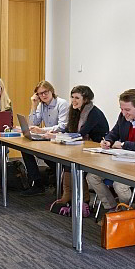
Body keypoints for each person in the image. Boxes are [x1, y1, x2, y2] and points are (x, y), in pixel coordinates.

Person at [86, 89, 135, 211]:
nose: (124, 113)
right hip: (122, 162)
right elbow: (114, 132)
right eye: (121, 109)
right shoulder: (123, 116)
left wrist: (124, 145)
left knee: (119, 186)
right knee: (92, 177)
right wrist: (108, 140)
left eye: (127, 110)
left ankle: (127, 213)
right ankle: (112, 209)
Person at [49, 85, 109, 214]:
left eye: (77, 98)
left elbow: (81, 133)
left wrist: (57, 136)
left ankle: (83, 200)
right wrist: (52, 133)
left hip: (98, 150)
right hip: (84, 147)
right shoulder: (76, 110)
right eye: (72, 97)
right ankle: (68, 195)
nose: (73, 100)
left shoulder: (93, 113)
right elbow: (70, 129)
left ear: (86, 99)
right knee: (67, 160)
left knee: (73, 163)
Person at [21, 81, 69, 196]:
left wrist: (42, 130)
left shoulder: (62, 103)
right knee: (26, 149)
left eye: (45, 92)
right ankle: (37, 184)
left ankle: (62, 179)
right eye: (40, 94)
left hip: (61, 139)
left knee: (45, 154)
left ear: (51, 91)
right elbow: (33, 123)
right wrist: (33, 104)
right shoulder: (41, 105)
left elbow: (62, 126)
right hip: (47, 139)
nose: (43, 95)